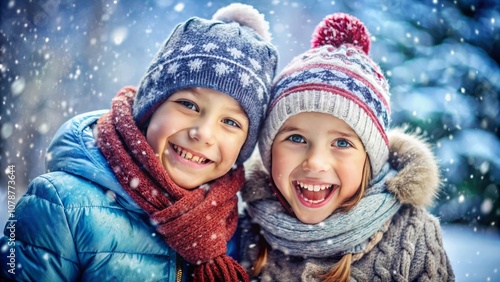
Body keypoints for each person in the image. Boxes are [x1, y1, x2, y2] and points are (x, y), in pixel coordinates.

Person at [0, 3, 278, 281]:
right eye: (188, 104)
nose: (203, 133)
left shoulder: (237, 233)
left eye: (230, 122)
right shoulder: (63, 207)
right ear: (150, 108)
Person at [239, 12, 454, 281]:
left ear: (369, 158)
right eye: (296, 138)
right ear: (269, 150)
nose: (316, 162)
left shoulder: (412, 236)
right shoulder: (246, 228)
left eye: (341, 142)